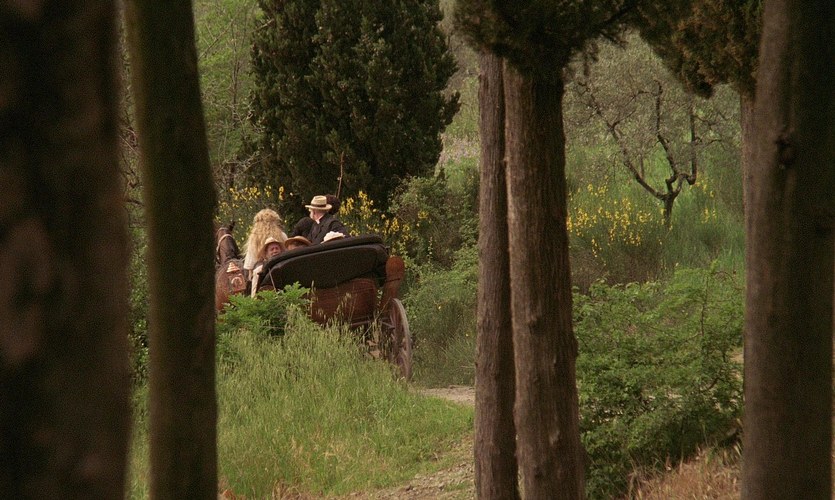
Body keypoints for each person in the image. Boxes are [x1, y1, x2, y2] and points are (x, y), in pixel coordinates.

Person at [243, 208, 288, 278]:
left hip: (262, 273)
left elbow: (250, 265)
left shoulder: (254, 238)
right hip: (282, 266)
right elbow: (287, 253)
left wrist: (251, 278)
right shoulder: (282, 235)